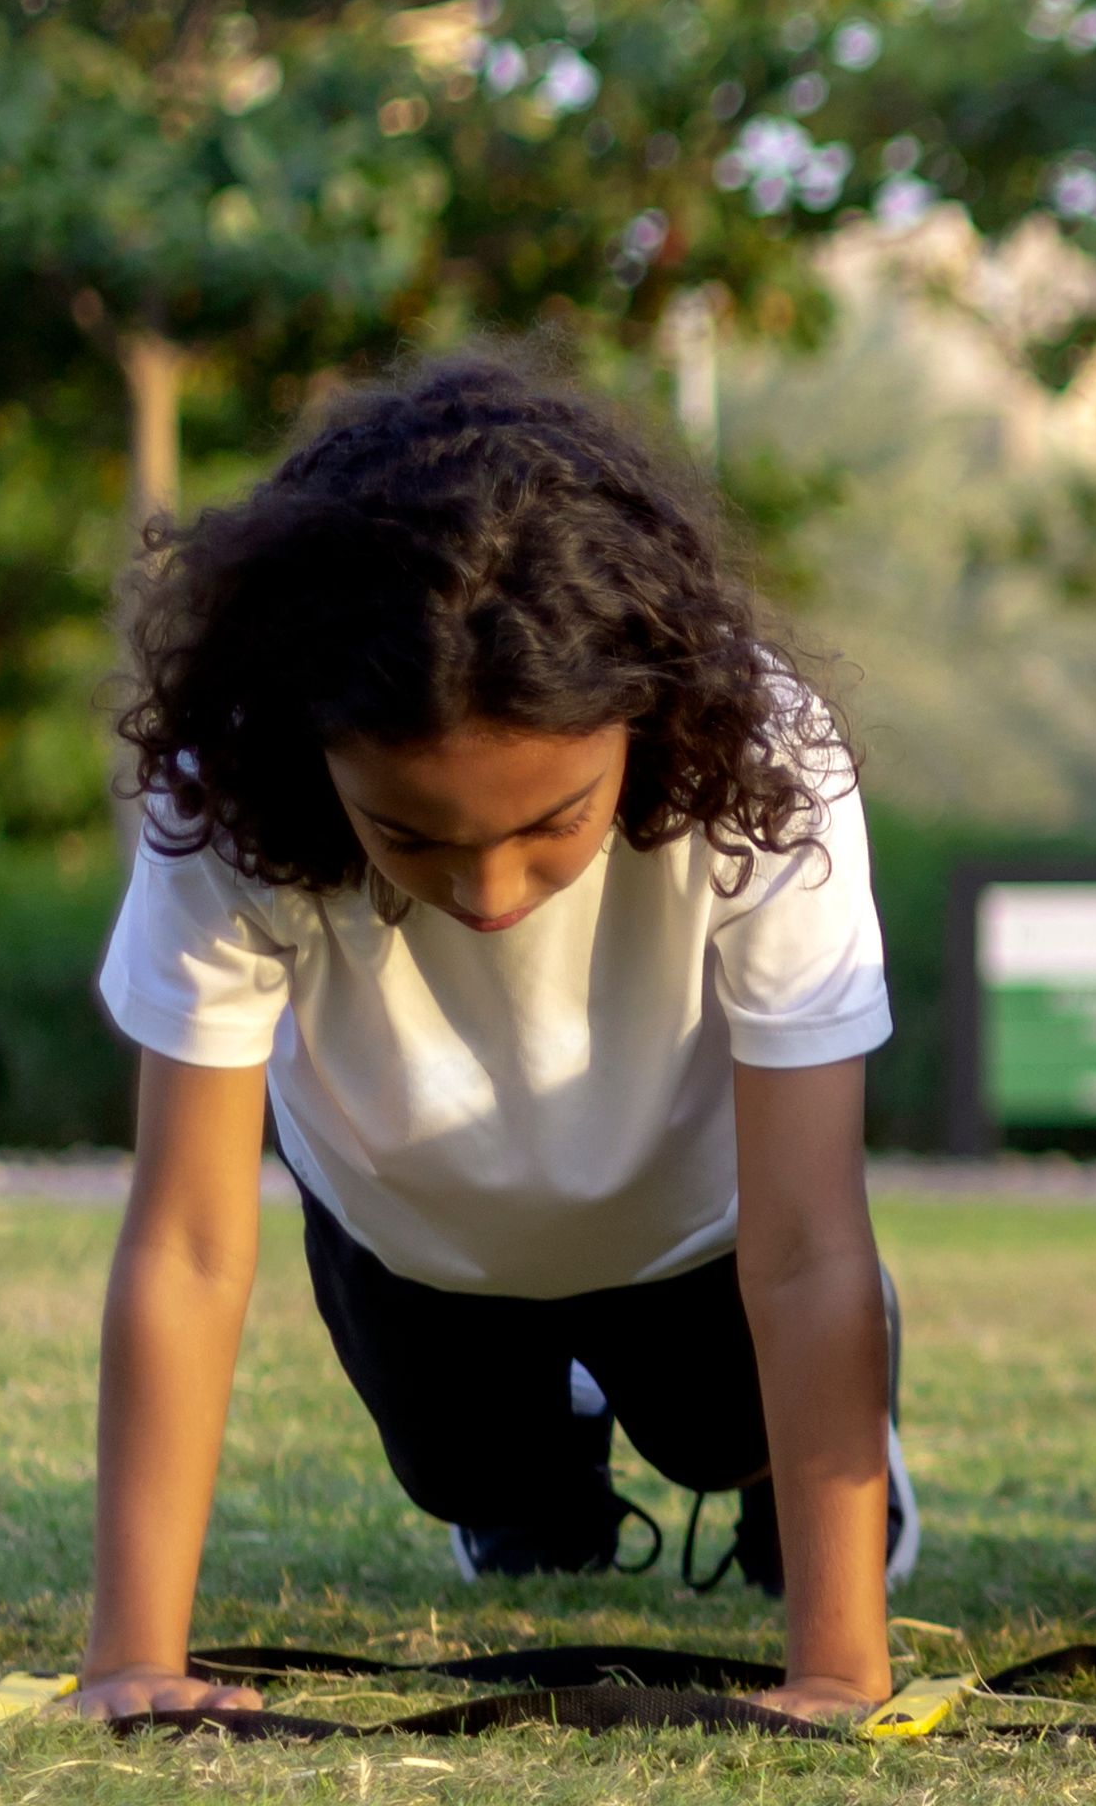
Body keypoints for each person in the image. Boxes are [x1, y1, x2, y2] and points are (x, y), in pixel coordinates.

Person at [71, 362, 915, 1729]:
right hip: (411, 1228)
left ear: (645, 719)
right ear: (313, 753)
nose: (489, 894)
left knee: (723, 1433)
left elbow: (811, 1238)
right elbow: (187, 1241)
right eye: (411, 835)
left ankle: (793, 1492)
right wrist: (127, 1664)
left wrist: (836, 1674)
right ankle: (544, 1468)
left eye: (552, 822)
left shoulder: (772, 758)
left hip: (700, 1228)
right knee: (479, 1483)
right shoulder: (223, 784)